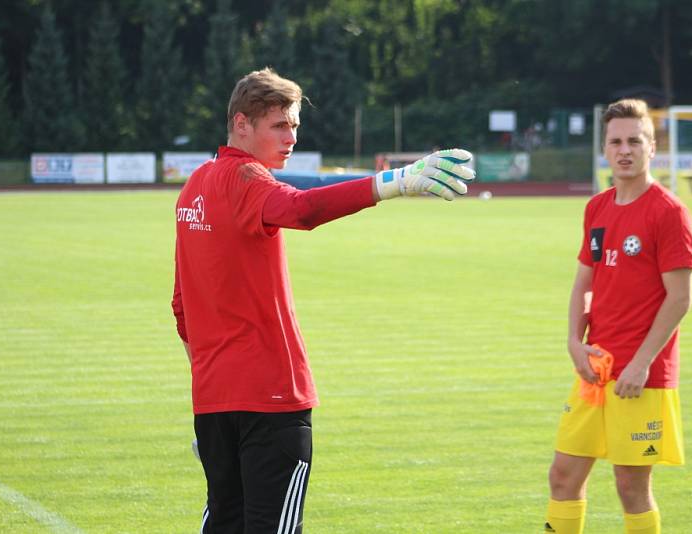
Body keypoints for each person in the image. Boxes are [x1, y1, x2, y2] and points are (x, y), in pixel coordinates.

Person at [171, 67, 475, 533]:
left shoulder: (195, 186)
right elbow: (302, 209)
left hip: (213, 404)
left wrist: (214, 397)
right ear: (240, 125)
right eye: (279, 125)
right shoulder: (247, 178)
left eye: (294, 124)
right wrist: (395, 182)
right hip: (271, 400)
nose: (291, 136)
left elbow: (181, 307)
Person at [543, 99, 692, 534]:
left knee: (630, 485)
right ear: (605, 149)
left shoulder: (669, 213)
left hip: (640, 376)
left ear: (652, 147)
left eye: (635, 140)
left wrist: (641, 362)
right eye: (616, 141)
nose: (624, 149)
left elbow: (679, 298)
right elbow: (583, 284)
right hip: (595, 370)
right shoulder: (597, 208)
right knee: (563, 476)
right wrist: (574, 343)